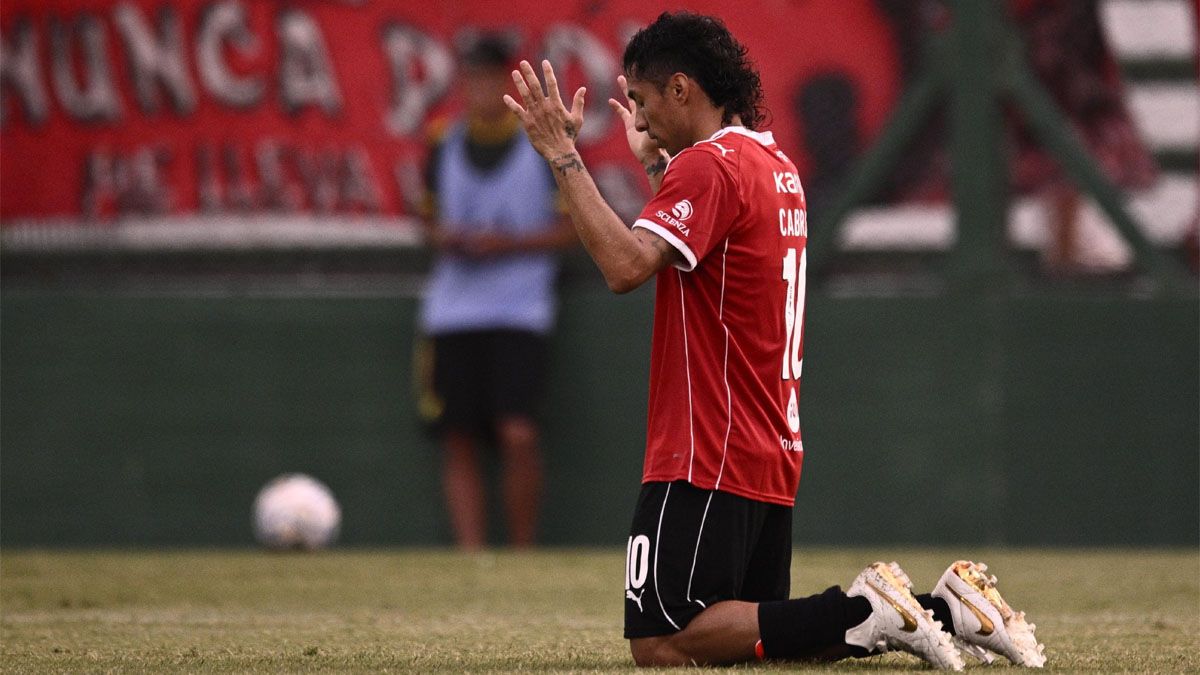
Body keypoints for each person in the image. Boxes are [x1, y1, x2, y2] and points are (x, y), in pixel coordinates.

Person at [503, 11, 1047, 669]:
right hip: (767, 446)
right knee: (757, 638)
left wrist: (562, 156)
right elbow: (704, 262)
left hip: (709, 447)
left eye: (643, 101)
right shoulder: (773, 163)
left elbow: (625, 267)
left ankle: (867, 607)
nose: (638, 122)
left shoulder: (706, 168)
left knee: (663, 639)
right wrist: (661, 171)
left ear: (682, 89)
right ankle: (945, 608)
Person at [417, 34, 575, 551]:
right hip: (453, 312)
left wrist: (505, 244)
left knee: (517, 433)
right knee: (457, 436)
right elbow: (427, 221)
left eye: (489, 78)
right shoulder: (443, 141)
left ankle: (521, 552)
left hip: (519, 311)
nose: (479, 89)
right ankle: (471, 556)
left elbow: (574, 226)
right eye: (471, 79)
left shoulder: (540, 141)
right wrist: (452, 238)